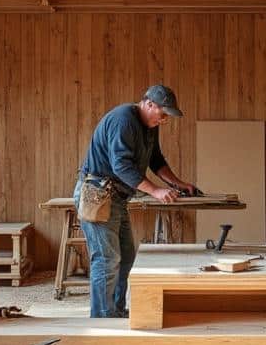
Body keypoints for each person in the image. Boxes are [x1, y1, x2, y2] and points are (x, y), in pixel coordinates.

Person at [76, 84, 197, 318]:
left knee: (126, 258)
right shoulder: (124, 120)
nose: (164, 120)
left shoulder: (149, 125)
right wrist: (155, 191)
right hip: (97, 195)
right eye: (163, 114)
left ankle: (116, 311)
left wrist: (177, 183)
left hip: (116, 197)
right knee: (107, 259)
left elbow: (155, 159)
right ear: (148, 104)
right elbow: (121, 166)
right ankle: (102, 318)